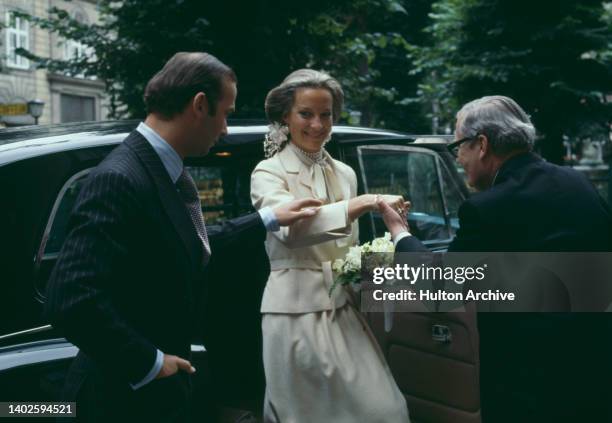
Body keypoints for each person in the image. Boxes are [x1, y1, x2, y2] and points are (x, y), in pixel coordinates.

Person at [44, 52, 323, 423]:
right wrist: (151, 363)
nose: (225, 128)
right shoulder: (120, 178)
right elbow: (71, 299)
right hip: (119, 399)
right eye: (225, 113)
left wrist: (268, 218)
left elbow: (183, 241)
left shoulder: (158, 168)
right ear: (199, 105)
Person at [379, 95, 612, 422]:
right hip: (595, 365)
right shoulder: (579, 183)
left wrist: (400, 234)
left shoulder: (487, 208)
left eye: (459, 146)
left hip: (528, 380)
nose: (459, 158)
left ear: (482, 144)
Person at [250, 69, 410, 423]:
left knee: (386, 411)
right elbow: (292, 231)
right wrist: (364, 203)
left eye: (326, 115)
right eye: (306, 114)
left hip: (344, 308)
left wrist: (386, 247)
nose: (318, 125)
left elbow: (347, 247)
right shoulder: (267, 172)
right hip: (293, 313)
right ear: (285, 117)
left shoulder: (345, 173)